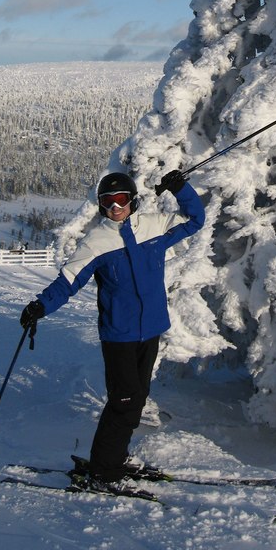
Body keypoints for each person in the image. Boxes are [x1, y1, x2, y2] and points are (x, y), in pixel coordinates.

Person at [20, 168, 204, 491]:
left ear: (132, 200)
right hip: (119, 335)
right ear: (101, 206)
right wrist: (41, 306)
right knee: (124, 401)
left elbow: (195, 219)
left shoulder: (154, 227)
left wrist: (181, 189)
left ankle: (114, 456)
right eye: (108, 201)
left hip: (151, 330)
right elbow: (68, 282)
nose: (115, 207)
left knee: (137, 398)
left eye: (121, 199)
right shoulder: (97, 242)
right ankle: (105, 469)